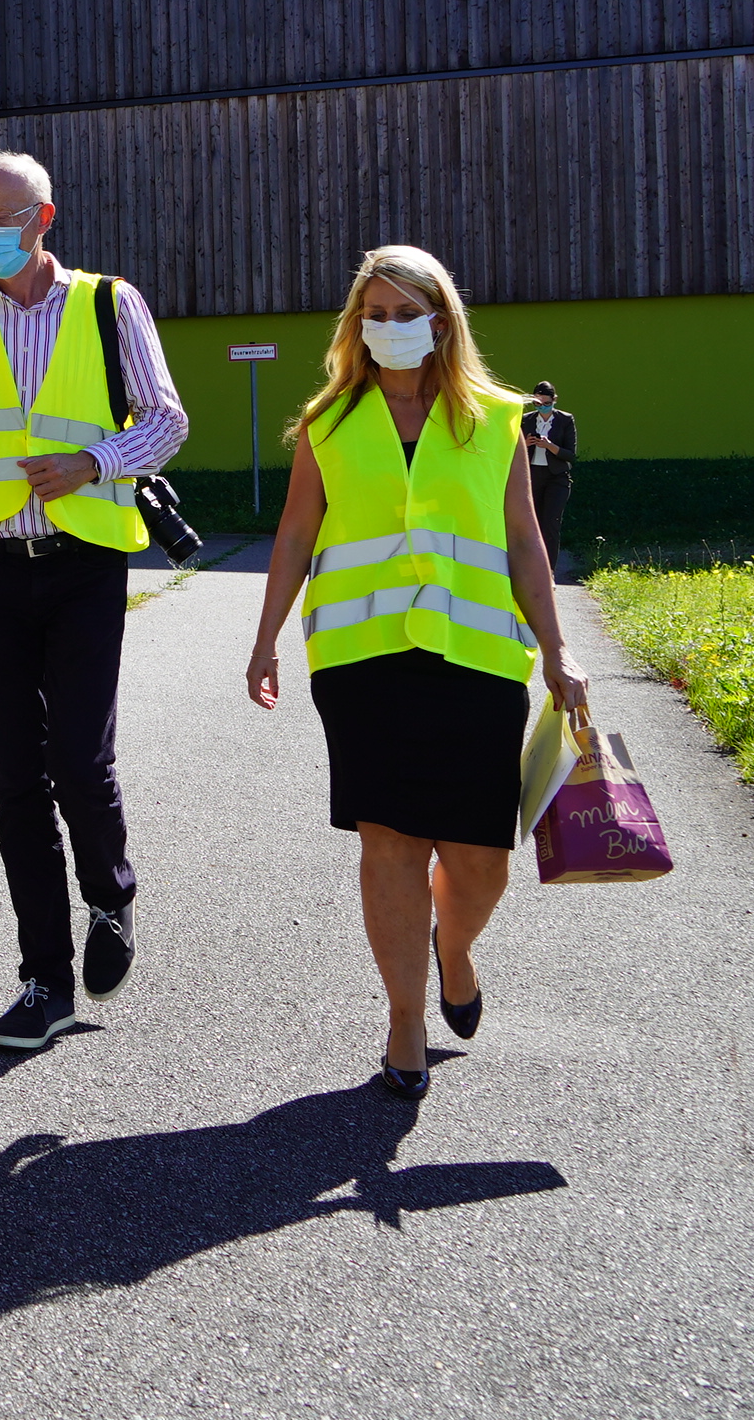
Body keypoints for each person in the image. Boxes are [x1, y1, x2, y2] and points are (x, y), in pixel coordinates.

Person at [241, 246, 589, 1101]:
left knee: (480, 860)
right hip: (361, 664)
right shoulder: (329, 420)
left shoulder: (496, 418)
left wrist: (558, 649)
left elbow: (522, 540)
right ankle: (404, 1020)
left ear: (442, 321)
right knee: (389, 843)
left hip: (477, 661)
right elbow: (296, 533)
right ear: (356, 324)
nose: (390, 327)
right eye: (376, 314)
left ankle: (454, 948)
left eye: (407, 313)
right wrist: (265, 637)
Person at [0, 153, 188, 1051]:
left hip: (86, 562)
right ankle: (43, 980)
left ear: (43, 217)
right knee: (17, 778)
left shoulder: (109, 304)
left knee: (80, 761)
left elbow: (167, 420)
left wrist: (95, 462)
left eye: (2, 213)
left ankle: (110, 897)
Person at [524, 382, 577, 580]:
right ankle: (532, 571)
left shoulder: (565, 420)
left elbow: (570, 455)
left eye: (546, 404)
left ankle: (549, 572)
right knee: (533, 525)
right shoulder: (526, 420)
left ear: (554, 400)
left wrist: (549, 446)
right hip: (532, 476)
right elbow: (511, 450)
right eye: (537, 404)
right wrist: (524, 444)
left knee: (551, 524)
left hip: (557, 478)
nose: (542, 408)